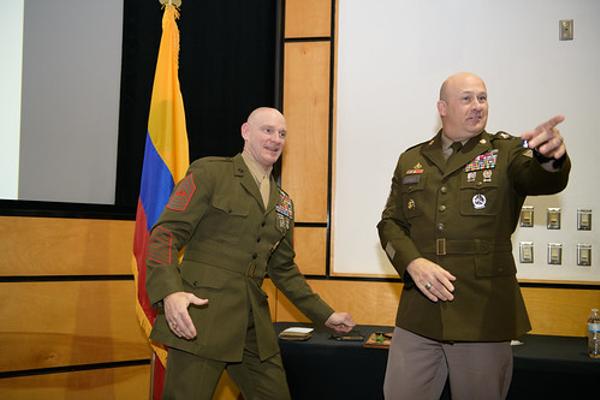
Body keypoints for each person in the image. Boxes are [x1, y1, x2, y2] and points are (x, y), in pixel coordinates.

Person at [377, 72, 570, 400]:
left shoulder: (506, 151)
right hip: (419, 314)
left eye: (482, 98)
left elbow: (541, 179)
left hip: (482, 314)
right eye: (466, 98)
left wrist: (551, 159)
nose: (477, 105)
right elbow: (390, 223)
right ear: (443, 108)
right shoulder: (412, 159)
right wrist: (412, 263)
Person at [146, 107, 355, 399]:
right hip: (202, 319)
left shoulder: (283, 203)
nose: (276, 139)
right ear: (246, 132)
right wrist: (170, 293)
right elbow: (165, 234)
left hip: (253, 324)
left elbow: (284, 270)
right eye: (267, 130)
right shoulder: (211, 173)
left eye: (282, 133)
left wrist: (326, 315)